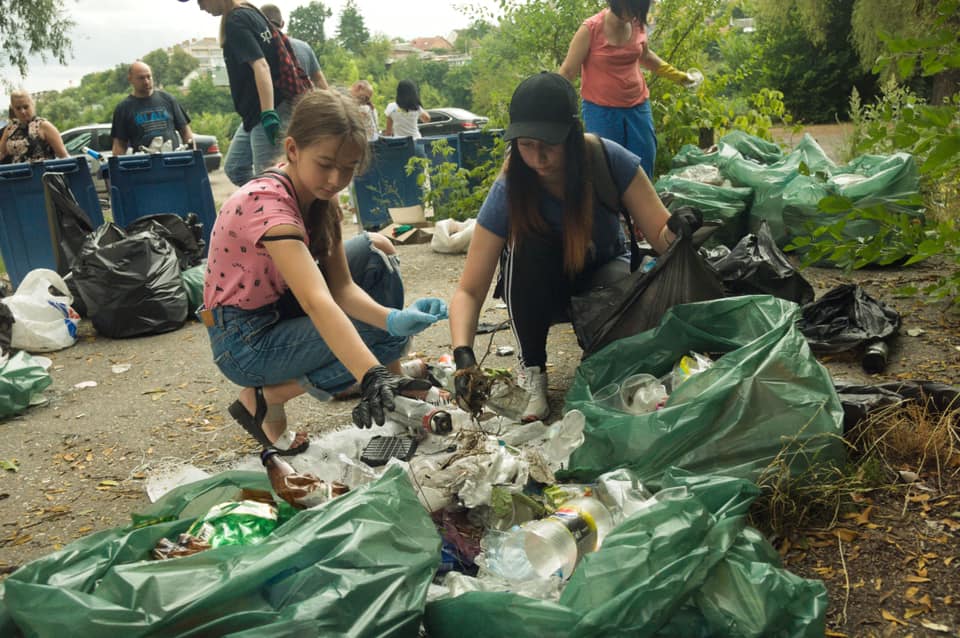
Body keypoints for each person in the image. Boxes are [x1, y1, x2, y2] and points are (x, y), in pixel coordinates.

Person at [200, 88, 448, 453]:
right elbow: (319, 301)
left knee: (375, 252)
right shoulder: (266, 204)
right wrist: (370, 372)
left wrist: (394, 318)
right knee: (366, 338)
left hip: (278, 311)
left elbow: (342, 288)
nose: (335, 179)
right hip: (243, 342)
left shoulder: (319, 196)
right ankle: (268, 396)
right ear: (292, 150)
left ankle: (390, 383)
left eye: (347, 168)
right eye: (326, 163)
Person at [448, 72, 698, 422]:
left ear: (572, 133)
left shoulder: (608, 160)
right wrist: (463, 356)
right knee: (525, 251)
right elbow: (469, 290)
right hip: (539, 292)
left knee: (622, 346)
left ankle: (605, 357)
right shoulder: (510, 187)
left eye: (549, 144)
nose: (538, 159)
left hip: (602, 283)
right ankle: (532, 369)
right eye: (526, 145)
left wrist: (681, 227)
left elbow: (661, 235)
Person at [559, 0, 700, 179]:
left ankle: (641, 206)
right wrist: (551, 105)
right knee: (607, 168)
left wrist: (679, 76)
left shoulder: (636, 24)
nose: (635, 14)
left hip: (638, 106)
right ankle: (612, 207)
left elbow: (646, 56)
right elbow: (568, 71)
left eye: (639, 10)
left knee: (644, 162)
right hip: (601, 111)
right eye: (632, 8)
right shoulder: (591, 29)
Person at [182, 0, 297, 187]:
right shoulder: (249, 11)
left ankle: (278, 206)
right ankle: (262, 200)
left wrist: (268, 113)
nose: (201, 7)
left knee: (270, 181)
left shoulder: (236, 20)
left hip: (268, 111)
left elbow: (261, 65)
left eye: (200, 1)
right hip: (253, 115)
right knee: (236, 167)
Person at [111, 61, 194, 156]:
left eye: (148, 77)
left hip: (173, 162)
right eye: (141, 78)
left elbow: (186, 132)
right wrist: (117, 167)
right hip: (144, 165)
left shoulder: (168, 100)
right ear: (130, 79)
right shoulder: (123, 108)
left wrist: (192, 156)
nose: (146, 81)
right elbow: (119, 145)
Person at [260, 4, 328, 90]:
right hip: (302, 100)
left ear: (259, 24)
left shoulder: (258, 48)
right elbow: (319, 80)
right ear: (282, 24)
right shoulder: (304, 47)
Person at [0, 90, 69, 164]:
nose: (22, 111)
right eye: (18, 108)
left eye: (26, 107)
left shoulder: (44, 126)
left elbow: (63, 156)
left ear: (32, 104)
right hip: (16, 173)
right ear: (13, 109)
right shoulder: (10, 128)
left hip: (42, 173)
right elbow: (1, 153)